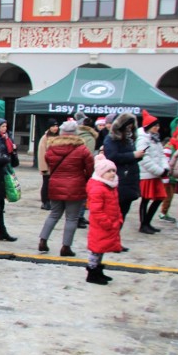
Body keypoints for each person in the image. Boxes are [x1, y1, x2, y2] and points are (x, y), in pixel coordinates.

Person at [37, 120, 94, 257]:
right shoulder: (82, 149)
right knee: (72, 218)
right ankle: (66, 247)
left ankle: (43, 240)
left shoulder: (52, 148)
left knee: (54, 214)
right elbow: (90, 168)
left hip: (55, 185)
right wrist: (84, 178)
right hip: (76, 186)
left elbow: (48, 161)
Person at [101, 112, 144, 225]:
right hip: (119, 179)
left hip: (128, 179)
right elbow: (112, 156)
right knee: (114, 214)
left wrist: (138, 156)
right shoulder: (112, 139)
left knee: (122, 214)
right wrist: (133, 155)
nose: (129, 129)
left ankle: (115, 240)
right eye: (128, 126)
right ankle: (110, 240)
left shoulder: (129, 139)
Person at [84, 154, 121, 284]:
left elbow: (115, 206)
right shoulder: (98, 189)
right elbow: (96, 210)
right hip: (101, 225)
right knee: (96, 250)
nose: (112, 174)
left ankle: (98, 271)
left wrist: (118, 219)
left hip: (109, 224)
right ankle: (92, 273)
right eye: (108, 171)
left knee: (101, 249)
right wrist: (107, 222)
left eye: (113, 171)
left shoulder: (110, 187)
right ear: (100, 173)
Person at [135, 110, 169, 234]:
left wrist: (165, 168)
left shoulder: (156, 139)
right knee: (145, 200)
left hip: (156, 174)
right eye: (155, 125)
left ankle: (147, 222)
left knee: (159, 197)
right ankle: (143, 224)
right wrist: (160, 170)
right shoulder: (143, 140)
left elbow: (161, 155)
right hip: (147, 174)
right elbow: (144, 158)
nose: (157, 128)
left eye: (158, 125)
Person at [159, 122, 178, 223]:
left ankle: (165, 212)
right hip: (169, 176)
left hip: (173, 176)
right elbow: (165, 161)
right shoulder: (170, 146)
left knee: (170, 196)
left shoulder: (177, 146)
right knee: (168, 196)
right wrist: (166, 174)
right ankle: (163, 213)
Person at [37, 119, 59, 210]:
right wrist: (43, 167)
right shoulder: (45, 138)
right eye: (53, 126)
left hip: (56, 166)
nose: (55, 128)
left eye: (56, 126)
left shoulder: (59, 137)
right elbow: (42, 153)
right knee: (46, 184)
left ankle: (52, 201)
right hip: (48, 166)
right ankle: (45, 201)